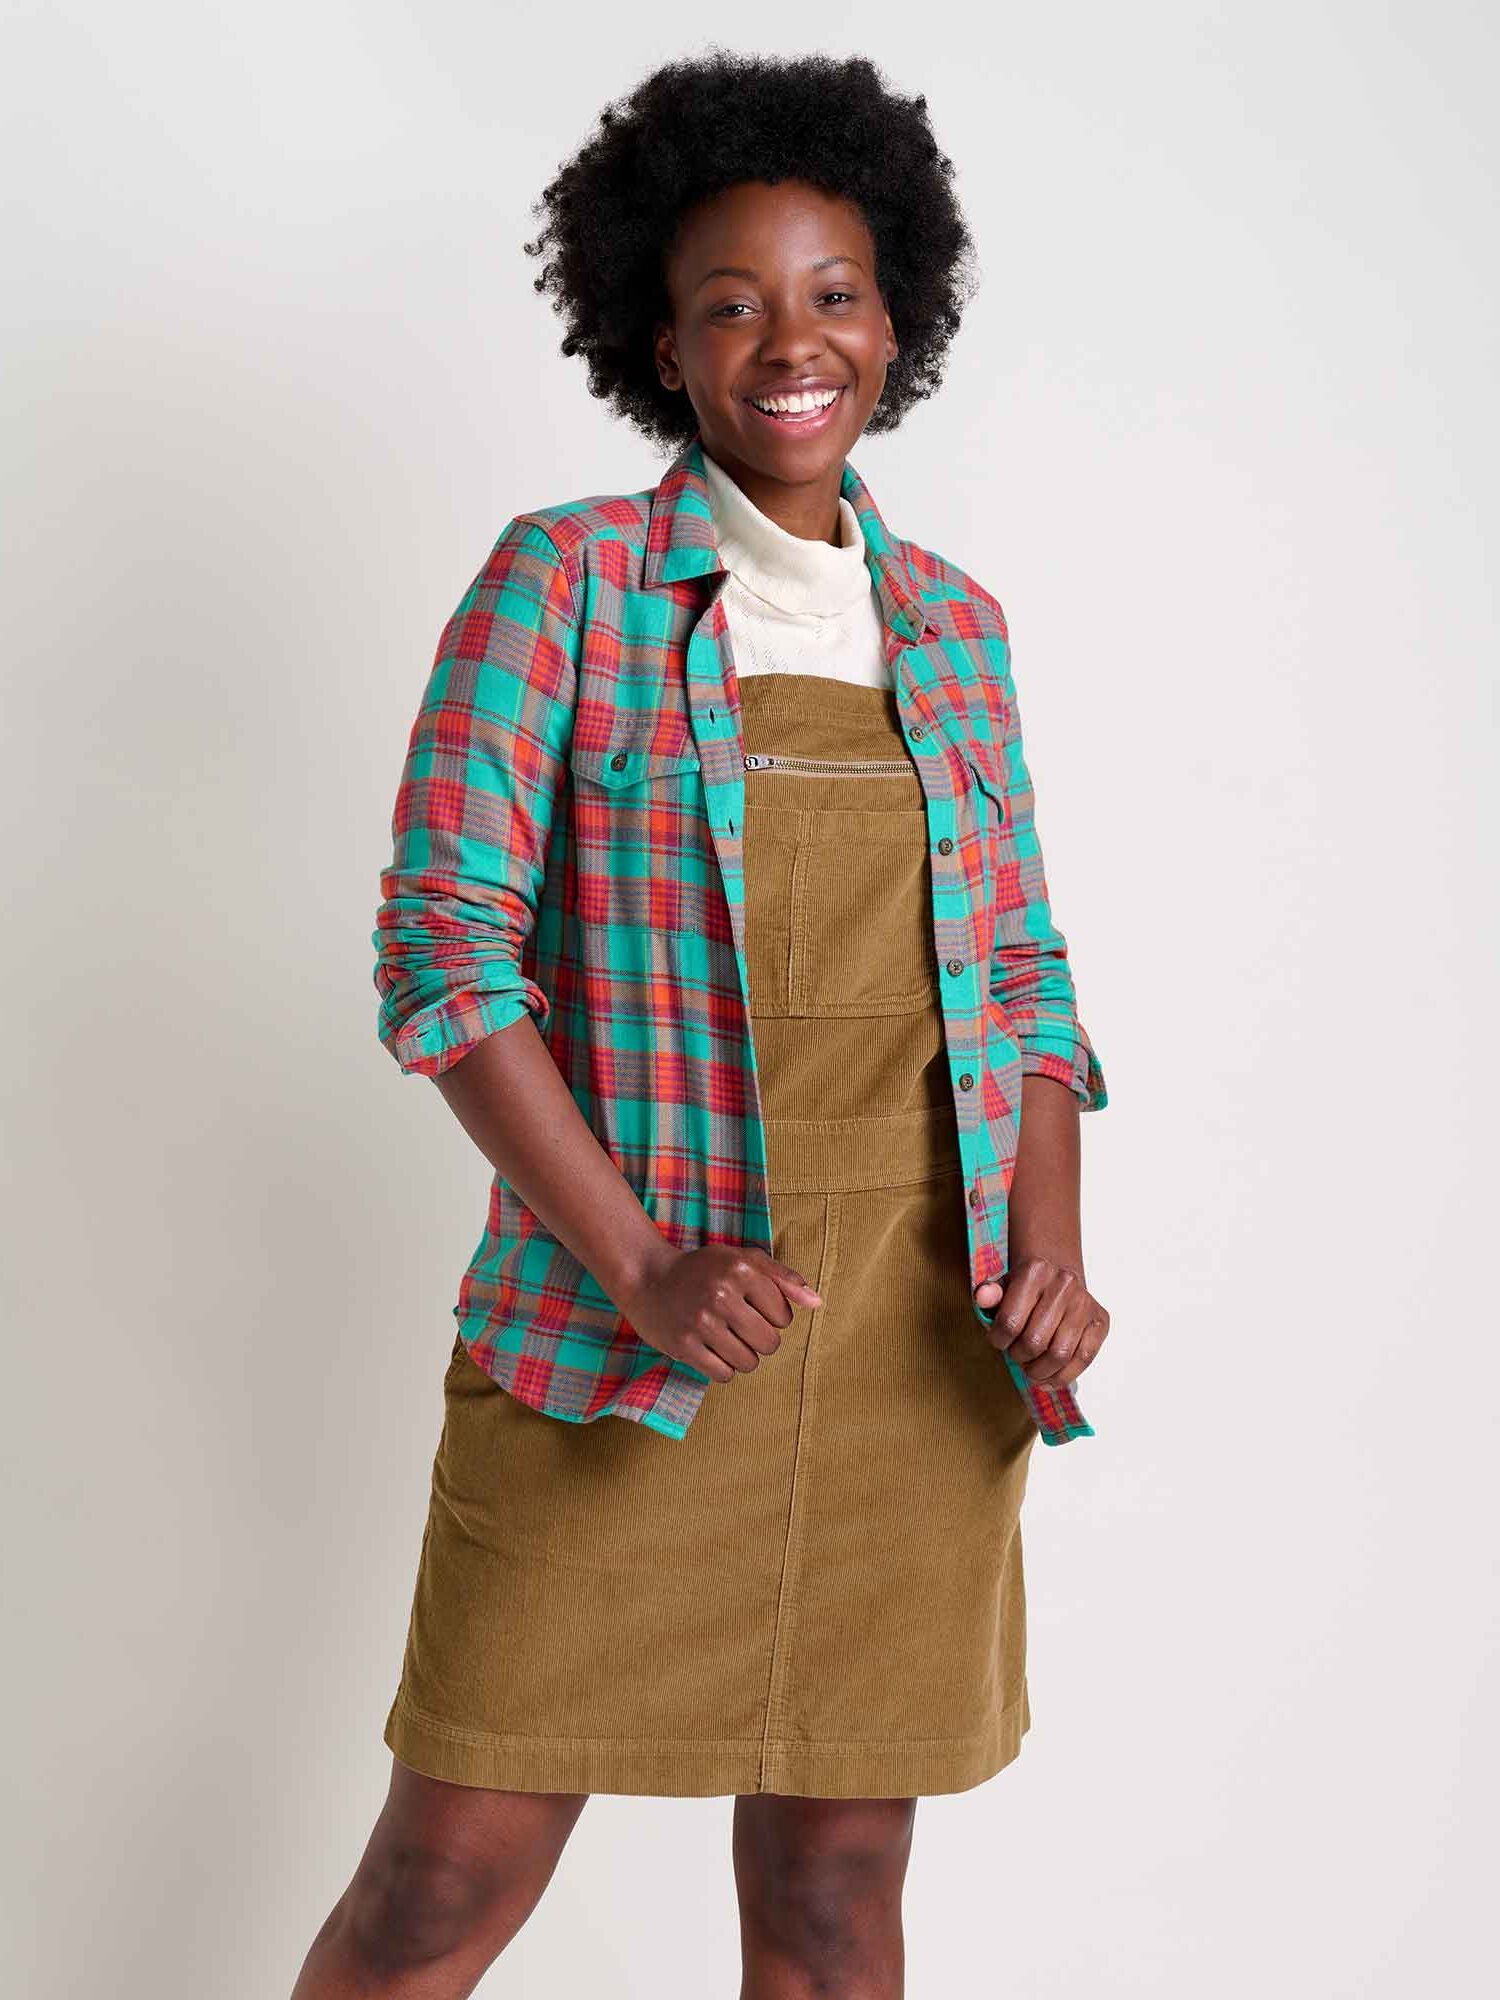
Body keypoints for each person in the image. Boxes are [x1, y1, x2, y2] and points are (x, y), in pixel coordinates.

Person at [293, 47, 1110, 1999]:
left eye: (831, 293)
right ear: (661, 348)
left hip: (913, 1356)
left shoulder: (962, 630)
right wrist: (645, 1260)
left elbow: (1025, 985)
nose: (789, 342)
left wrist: (1055, 1244)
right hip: (619, 1355)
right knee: (441, 1881)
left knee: (832, 1913)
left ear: (898, 320)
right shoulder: (559, 588)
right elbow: (446, 959)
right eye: (730, 304)